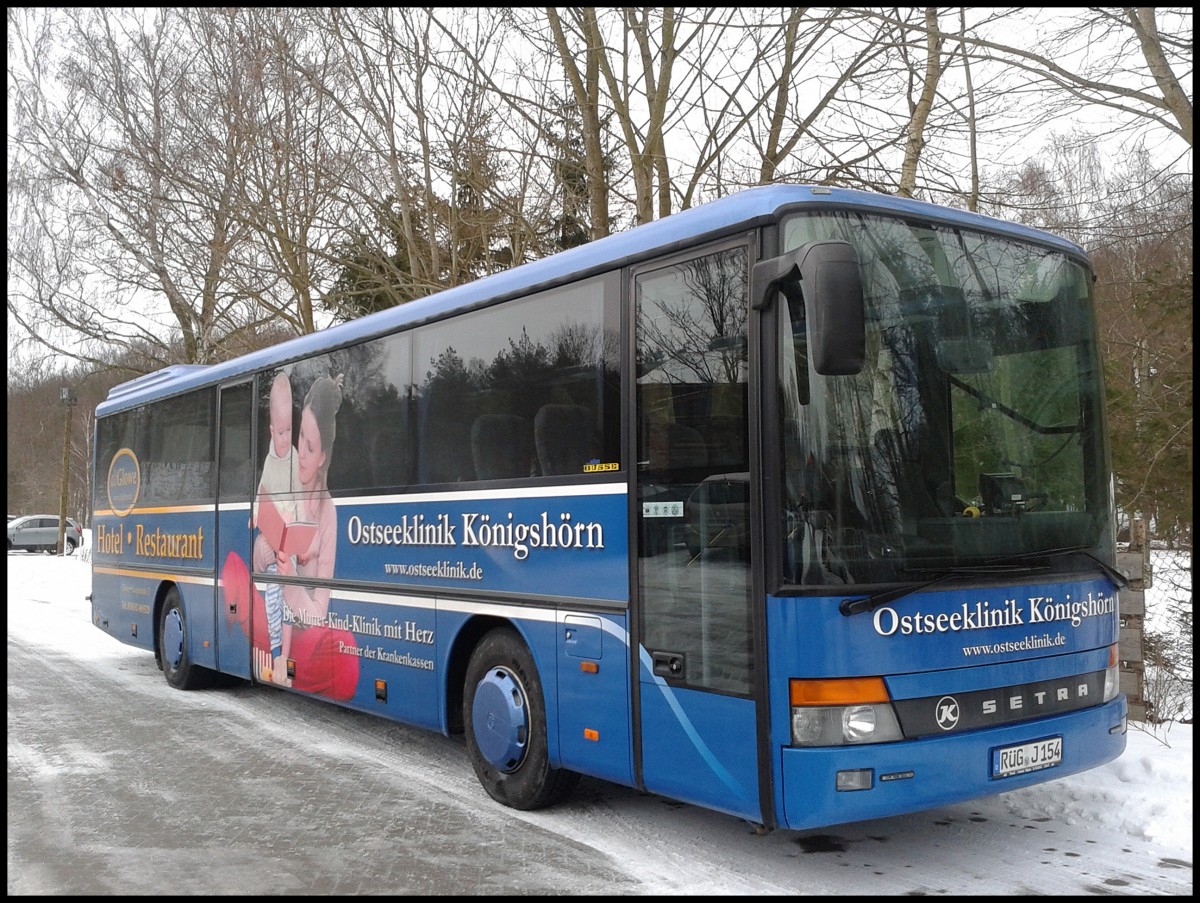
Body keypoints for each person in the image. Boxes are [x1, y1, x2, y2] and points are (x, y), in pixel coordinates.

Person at [253, 371, 300, 685]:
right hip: (271, 539)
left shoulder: (294, 458)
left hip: (289, 542)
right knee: (272, 596)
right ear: (270, 431)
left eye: (288, 432)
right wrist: (255, 512)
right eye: (279, 433)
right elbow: (261, 490)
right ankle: (276, 651)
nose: (284, 439)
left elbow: (302, 499)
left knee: (286, 599)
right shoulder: (270, 459)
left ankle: (284, 655)